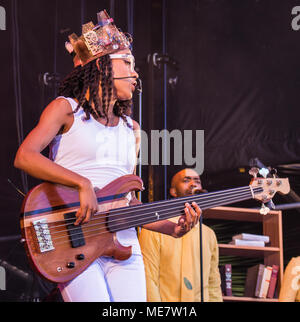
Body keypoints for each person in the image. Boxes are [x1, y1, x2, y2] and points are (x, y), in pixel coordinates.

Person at [14, 10, 201, 302]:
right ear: (101, 67)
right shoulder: (66, 110)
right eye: (127, 62)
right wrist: (81, 184)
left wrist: (173, 228)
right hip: (73, 239)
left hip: (123, 244)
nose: (135, 72)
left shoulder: (132, 129)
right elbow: (25, 156)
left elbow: (128, 202)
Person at [139, 168, 223, 302]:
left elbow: (213, 282)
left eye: (197, 181)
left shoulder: (208, 234)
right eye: (186, 180)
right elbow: (148, 278)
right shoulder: (156, 228)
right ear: (173, 191)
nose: (193, 184)